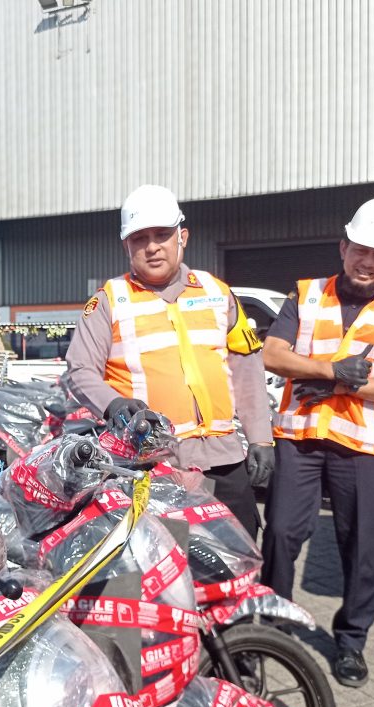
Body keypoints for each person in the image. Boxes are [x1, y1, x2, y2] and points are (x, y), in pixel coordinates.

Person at [260, 196, 374, 688]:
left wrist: (335, 384)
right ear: (343, 246)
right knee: (282, 534)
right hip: (301, 437)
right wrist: (330, 368)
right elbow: (272, 354)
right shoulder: (306, 294)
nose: (368, 261)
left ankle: (352, 642)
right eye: (361, 249)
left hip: (363, 445)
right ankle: (274, 624)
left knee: (362, 546)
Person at [66, 184, 274, 540]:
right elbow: (79, 370)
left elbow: (247, 369)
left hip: (224, 459)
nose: (152, 246)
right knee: (167, 576)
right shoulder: (108, 301)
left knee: (238, 562)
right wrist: (111, 403)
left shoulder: (217, 293)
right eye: (139, 238)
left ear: (183, 236)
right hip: (151, 465)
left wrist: (261, 438)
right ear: (126, 246)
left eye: (162, 234)